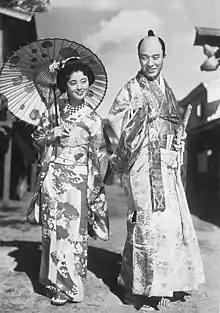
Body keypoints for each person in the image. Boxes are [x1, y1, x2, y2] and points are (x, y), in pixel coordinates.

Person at [108, 30, 205, 311]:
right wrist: (140, 120)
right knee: (145, 225)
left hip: (166, 165)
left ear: (164, 56)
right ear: (138, 58)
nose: (150, 63)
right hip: (142, 168)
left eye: (155, 56)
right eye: (144, 57)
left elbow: (174, 125)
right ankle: (138, 288)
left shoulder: (168, 90)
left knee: (169, 226)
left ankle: (163, 285)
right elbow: (116, 124)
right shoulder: (130, 89)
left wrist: (178, 138)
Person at [28, 56, 109, 306]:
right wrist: (50, 134)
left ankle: (71, 286)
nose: (79, 86)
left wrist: (95, 184)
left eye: (84, 81)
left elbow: (100, 154)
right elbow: (37, 138)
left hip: (78, 180)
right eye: (73, 82)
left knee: (72, 233)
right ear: (65, 85)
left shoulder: (93, 119)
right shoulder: (53, 113)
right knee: (53, 231)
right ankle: (53, 282)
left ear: (89, 83)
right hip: (54, 176)